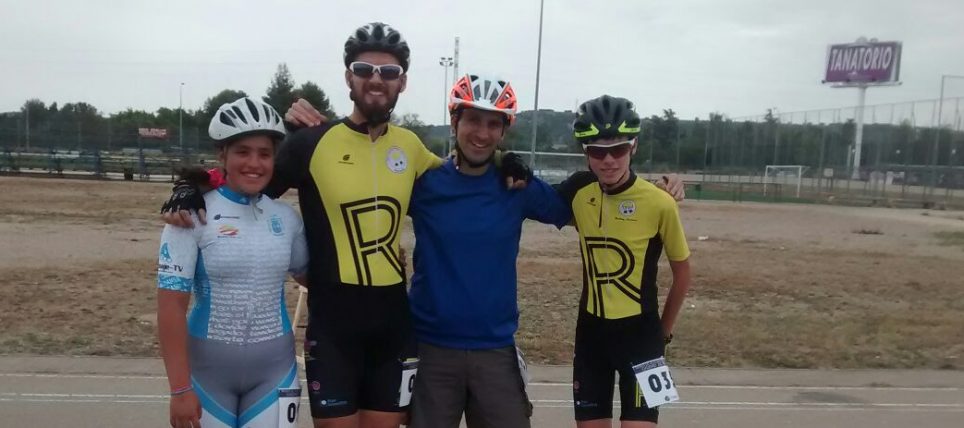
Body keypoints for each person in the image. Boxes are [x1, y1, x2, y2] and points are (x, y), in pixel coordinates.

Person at [158, 22, 532, 428]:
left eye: (389, 72)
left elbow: (460, 171)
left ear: (403, 82)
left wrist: (505, 160)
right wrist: (193, 186)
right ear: (348, 77)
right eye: (364, 69)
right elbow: (250, 180)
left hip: (393, 328)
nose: (377, 79)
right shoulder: (311, 143)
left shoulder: (410, 146)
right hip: (333, 328)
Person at [404, 74, 570, 428]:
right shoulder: (425, 184)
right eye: (473, 120)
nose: (482, 133)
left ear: (504, 131)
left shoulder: (516, 184)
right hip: (431, 349)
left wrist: (652, 190)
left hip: (494, 349)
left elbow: (573, 206)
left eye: (493, 124)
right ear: (454, 122)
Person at [156, 97, 308, 428]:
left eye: (264, 153)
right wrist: (179, 389)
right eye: (242, 152)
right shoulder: (189, 215)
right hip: (206, 379)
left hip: (275, 374)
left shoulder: (287, 218)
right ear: (222, 155)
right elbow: (170, 307)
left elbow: (314, 279)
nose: (254, 163)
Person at [555, 95, 692, 427]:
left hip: (643, 339)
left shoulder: (660, 202)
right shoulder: (579, 194)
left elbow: (683, 274)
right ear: (585, 153)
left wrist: (663, 333)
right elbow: (523, 194)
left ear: (634, 147)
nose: (608, 160)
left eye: (618, 149)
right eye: (597, 151)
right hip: (591, 337)